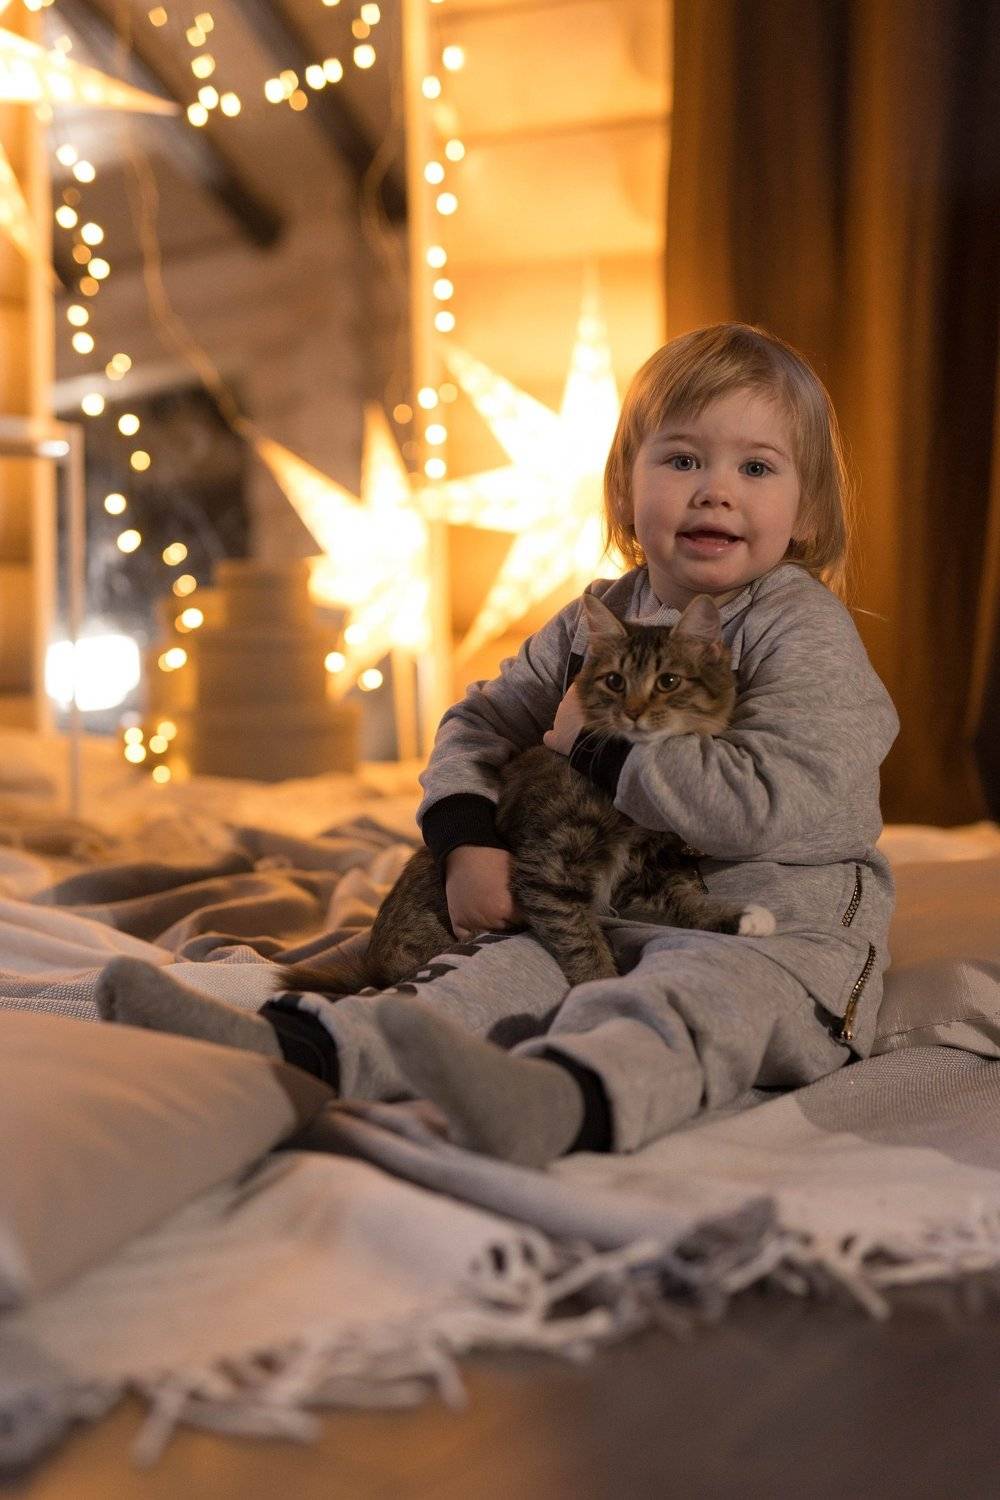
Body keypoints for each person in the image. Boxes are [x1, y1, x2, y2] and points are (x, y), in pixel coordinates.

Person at [98, 323, 899, 1170]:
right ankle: (297, 1049)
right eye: (683, 460)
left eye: (757, 468)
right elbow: (481, 725)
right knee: (497, 973)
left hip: (778, 926)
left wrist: (601, 752)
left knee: (701, 1001)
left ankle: (559, 1100)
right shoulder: (597, 614)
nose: (715, 492)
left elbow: (775, 804)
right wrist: (466, 842)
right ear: (626, 490)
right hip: (611, 905)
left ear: (808, 510)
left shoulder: (803, 628)